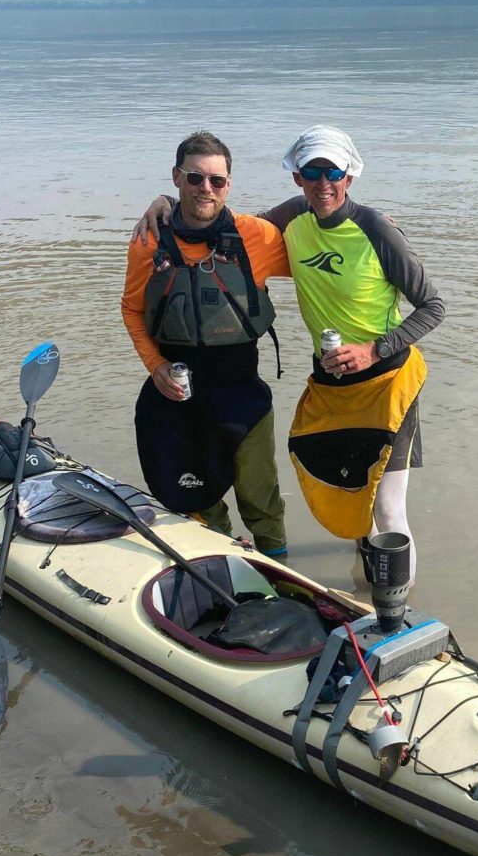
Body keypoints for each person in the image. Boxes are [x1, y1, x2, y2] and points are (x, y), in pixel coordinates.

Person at [137, 125, 444, 573]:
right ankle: (362, 589)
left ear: (349, 177)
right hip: (333, 383)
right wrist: (164, 203)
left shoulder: (376, 229)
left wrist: (375, 350)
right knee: (353, 499)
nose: (323, 184)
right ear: (297, 177)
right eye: (312, 172)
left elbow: (433, 306)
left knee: (388, 511)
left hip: (389, 378)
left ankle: (396, 617)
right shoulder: (293, 217)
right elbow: (219, 219)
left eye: (333, 172)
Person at [122, 131, 291, 558]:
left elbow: (318, 234)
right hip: (178, 398)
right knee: (196, 500)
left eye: (217, 181)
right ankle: (220, 562)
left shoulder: (258, 235)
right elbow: (132, 310)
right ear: (177, 177)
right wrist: (155, 366)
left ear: (229, 184)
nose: (206, 189)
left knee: (262, 501)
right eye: (195, 179)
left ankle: (285, 581)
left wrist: (370, 225)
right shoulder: (148, 240)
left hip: (242, 396)